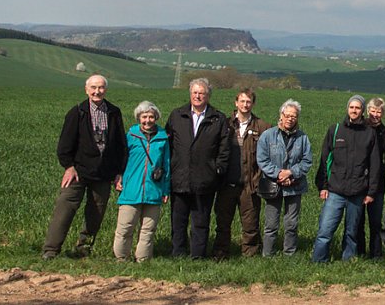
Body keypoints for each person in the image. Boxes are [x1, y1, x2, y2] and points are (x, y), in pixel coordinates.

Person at [42, 75, 127, 259]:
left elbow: (121, 144)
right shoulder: (77, 112)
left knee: (96, 212)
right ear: (86, 89)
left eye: (101, 88)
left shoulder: (114, 112)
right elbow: (65, 145)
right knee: (65, 207)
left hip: (103, 173)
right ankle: (51, 250)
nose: (97, 91)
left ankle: (84, 248)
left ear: (106, 90)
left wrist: (119, 171)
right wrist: (69, 167)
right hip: (78, 172)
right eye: (94, 87)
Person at [165, 78, 230, 259]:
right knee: (178, 221)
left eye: (202, 93)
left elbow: (224, 149)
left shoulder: (218, 118)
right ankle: (178, 253)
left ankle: (197, 255)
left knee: (200, 221)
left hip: (205, 179)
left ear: (208, 96)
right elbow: (168, 145)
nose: (198, 96)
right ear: (190, 94)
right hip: (180, 177)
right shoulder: (177, 115)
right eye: (195, 92)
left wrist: (217, 169)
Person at [312, 95, 380, 262]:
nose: (354, 110)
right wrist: (323, 186)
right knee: (325, 230)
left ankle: (347, 261)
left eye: (357, 108)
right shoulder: (335, 130)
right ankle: (319, 260)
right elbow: (325, 160)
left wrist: (371, 192)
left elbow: (374, 165)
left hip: (357, 192)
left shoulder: (369, 133)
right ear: (347, 109)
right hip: (335, 190)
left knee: (352, 232)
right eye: (351, 107)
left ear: (362, 110)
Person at [213, 89, 271, 259]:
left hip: (250, 185)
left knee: (250, 224)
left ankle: (250, 255)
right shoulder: (225, 124)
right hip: (226, 184)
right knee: (223, 223)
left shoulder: (262, 127)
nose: (245, 105)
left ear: (253, 104)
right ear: (236, 102)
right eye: (242, 101)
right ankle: (220, 253)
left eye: (249, 102)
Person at [113, 101, 170, 262]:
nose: (148, 120)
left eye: (151, 117)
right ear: (139, 118)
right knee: (125, 227)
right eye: (144, 117)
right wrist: (118, 177)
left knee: (148, 229)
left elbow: (166, 165)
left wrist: (166, 189)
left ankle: (143, 260)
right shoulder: (130, 136)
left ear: (156, 118)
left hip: (154, 189)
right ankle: (121, 258)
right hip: (131, 188)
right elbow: (121, 159)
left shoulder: (163, 138)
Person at [256, 99, 312, 256]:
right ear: (281, 115)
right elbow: (262, 159)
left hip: (295, 185)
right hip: (273, 185)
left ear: (297, 118)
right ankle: (268, 254)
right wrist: (279, 174)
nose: (290, 119)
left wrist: (291, 173)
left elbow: (307, 161)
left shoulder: (303, 138)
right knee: (271, 223)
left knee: (291, 223)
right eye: (287, 115)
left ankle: (289, 254)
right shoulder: (268, 135)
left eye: (293, 116)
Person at [352, 97, 385, 259]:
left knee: (375, 222)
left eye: (379, 112)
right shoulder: (359, 128)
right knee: (358, 220)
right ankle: (360, 253)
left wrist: (376, 172)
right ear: (367, 111)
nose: (375, 114)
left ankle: (376, 255)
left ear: (383, 113)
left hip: (377, 185)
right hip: (358, 182)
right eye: (373, 111)